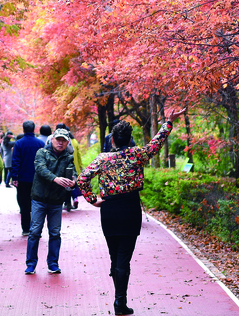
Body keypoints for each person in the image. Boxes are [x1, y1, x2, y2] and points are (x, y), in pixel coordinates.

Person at [77, 111, 183, 315]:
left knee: (114, 256)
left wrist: (93, 200)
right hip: (130, 209)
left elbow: (82, 179)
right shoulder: (137, 155)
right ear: (129, 138)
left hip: (109, 210)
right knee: (124, 258)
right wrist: (168, 122)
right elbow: (156, 144)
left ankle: (118, 297)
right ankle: (120, 302)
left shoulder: (103, 159)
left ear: (113, 140)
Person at [24, 128, 75, 275]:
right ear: (52, 139)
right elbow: (40, 169)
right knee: (34, 232)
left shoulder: (68, 157)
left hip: (56, 201)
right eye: (58, 139)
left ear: (67, 142)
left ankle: (53, 263)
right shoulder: (42, 152)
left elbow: (73, 174)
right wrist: (56, 179)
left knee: (55, 233)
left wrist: (73, 182)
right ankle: (31, 264)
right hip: (39, 199)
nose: (60, 142)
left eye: (64, 140)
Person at [11, 120, 44, 236]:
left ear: (23, 129)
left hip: (23, 178)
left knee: (24, 204)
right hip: (38, 179)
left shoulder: (19, 143)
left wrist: (14, 176)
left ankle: (26, 228)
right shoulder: (40, 143)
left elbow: (15, 161)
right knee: (37, 203)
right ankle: (36, 228)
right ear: (34, 129)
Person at [56, 122, 80, 211]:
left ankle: (66, 202)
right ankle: (73, 199)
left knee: (67, 183)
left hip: (64, 164)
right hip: (69, 165)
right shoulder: (72, 140)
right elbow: (73, 152)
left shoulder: (52, 138)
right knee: (69, 182)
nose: (60, 143)